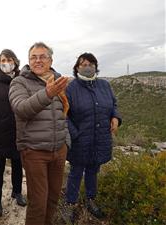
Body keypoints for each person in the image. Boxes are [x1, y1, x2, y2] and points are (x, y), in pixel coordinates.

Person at [9, 42, 71, 225]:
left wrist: (66, 141)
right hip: (34, 151)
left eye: (42, 56)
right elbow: (21, 109)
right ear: (28, 61)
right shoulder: (19, 82)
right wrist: (47, 93)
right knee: (38, 202)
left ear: (51, 60)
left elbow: (65, 113)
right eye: (33, 57)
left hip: (59, 150)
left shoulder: (58, 81)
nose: (38, 60)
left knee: (53, 198)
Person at [62, 53, 122, 224]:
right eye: (83, 64)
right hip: (80, 141)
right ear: (77, 68)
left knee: (93, 170)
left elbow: (114, 105)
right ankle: (71, 203)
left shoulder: (105, 85)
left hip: (101, 138)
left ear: (95, 66)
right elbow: (64, 115)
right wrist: (76, 134)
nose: (87, 67)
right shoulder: (71, 88)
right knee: (75, 172)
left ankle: (90, 200)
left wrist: (115, 117)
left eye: (90, 63)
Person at [0, 49, 26, 217]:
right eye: (3, 60)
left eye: (9, 59)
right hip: (0, 133)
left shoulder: (21, 81)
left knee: (17, 164)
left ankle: (17, 192)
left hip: (18, 132)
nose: (6, 63)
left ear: (15, 62)